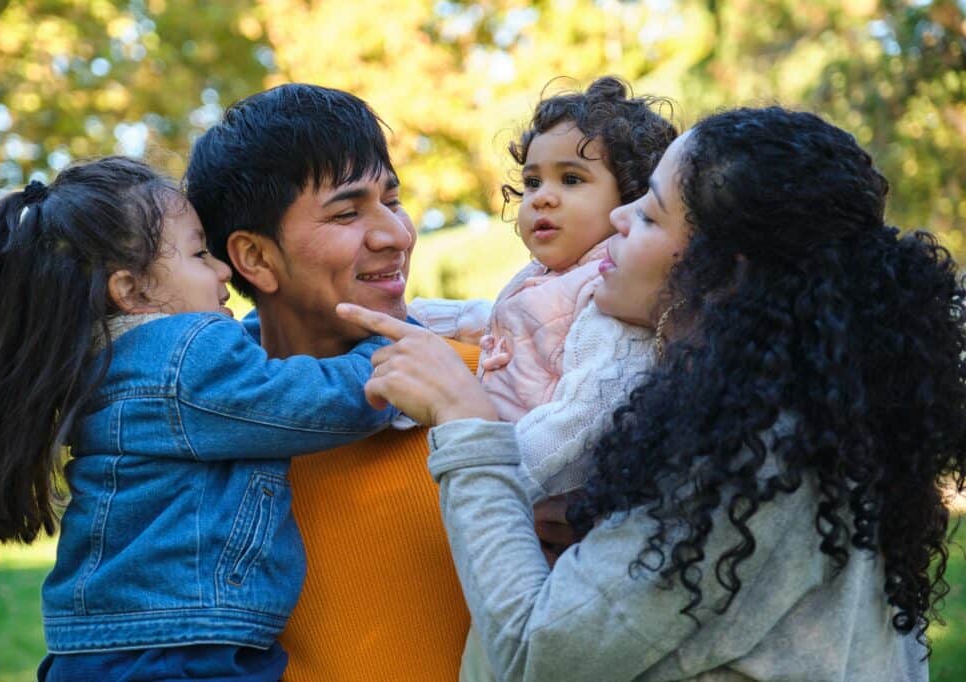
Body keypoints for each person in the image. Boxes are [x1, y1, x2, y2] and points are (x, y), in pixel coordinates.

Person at [337, 106, 966, 680]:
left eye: (649, 213)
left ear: (722, 270)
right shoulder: (792, 418)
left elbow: (536, 656)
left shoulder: (755, 459)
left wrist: (468, 424)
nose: (617, 217)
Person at [0, 157, 401, 680]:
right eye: (200, 253)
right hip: (178, 651)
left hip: (121, 646)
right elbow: (326, 401)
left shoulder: (124, 362)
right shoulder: (185, 359)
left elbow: (253, 362)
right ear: (132, 291)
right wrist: (394, 337)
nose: (223, 270)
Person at [184, 83, 473, 681]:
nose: (394, 234)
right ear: (256, 259)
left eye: (392, 201)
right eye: (347, 212)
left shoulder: (484, 378)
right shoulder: (200, 439)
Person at [410, 76, 676, 680]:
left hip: (552, 514)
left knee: (510, 655)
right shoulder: (541, 277)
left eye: (571, 180)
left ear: (630, 203)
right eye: (531, 182)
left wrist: (501, 484)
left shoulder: (609, 302)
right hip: (519, 511)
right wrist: (413, 315)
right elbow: (490, 318)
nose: (542, 198)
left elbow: (586, 414)